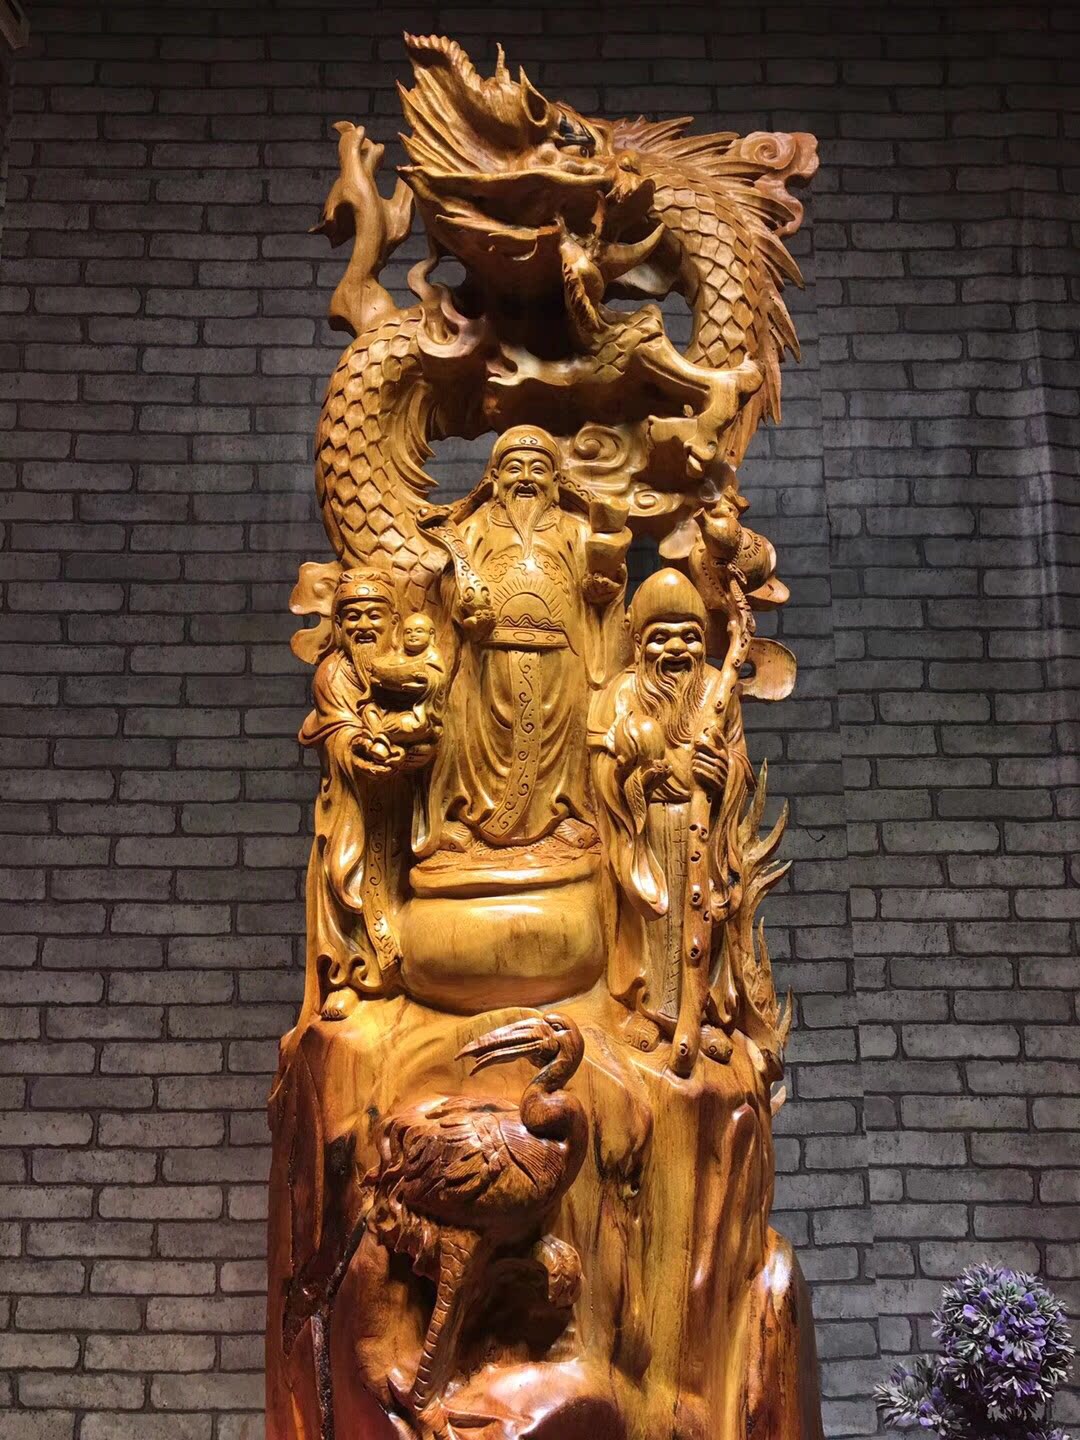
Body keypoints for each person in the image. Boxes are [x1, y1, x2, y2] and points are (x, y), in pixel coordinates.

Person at [417, 425, 628, 857]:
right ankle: (471, 817)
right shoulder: (471, 530)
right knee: (474, 734)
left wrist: (603, 589)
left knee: (565, 739)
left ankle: (562, 815)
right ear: (494, 479)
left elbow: (602, 582)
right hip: (486, 660)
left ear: (556, 481)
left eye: (538, 469)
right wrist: (463, 604)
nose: (526, 478)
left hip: (562, 661)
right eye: (514, 468)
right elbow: (449, 586)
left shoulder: (575, 531)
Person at [588, 568, 749, 1063]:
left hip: (705, 830)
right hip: (644, 829)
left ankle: (704, 1015)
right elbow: (598, 773)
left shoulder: (717, 689)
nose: (676, 648)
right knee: (648, 924)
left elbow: (740, 761)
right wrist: (632, 777)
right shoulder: (620, 693)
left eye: (690, 637)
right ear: (638, 643)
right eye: (661, 637)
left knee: (706, 921)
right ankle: (643, 1010)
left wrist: (724, 772)